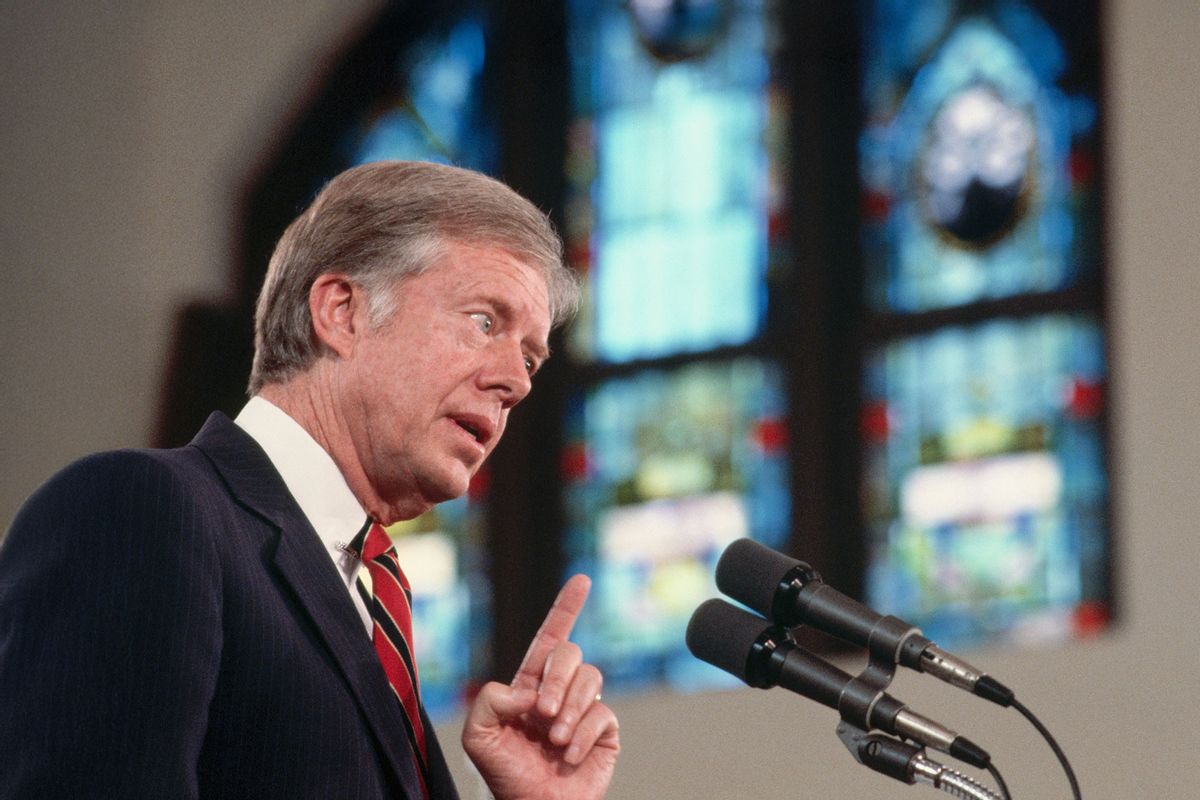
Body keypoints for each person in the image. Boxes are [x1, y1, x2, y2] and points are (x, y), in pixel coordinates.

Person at [0, 161, 619, 799]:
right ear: (341, 312)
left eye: (528, 357)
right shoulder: (142, 510)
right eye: (484, 322)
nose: (516, 382)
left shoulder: (368, 594)